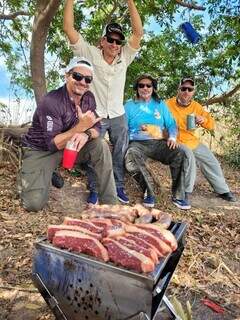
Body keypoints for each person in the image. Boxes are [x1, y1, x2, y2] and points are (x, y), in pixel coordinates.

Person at [63, 0, 143, 204]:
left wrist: (130, 3)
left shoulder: (125, 57)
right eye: (111, 39)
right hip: (96, 115)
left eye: (118, 41)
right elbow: (68, 28)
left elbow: (138, 33)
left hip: (118, 115)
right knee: (95, 149)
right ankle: (95, 189)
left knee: (119, 152)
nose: (115, 44)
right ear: (103, 40)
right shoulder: (89, 54)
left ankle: (118, 186)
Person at [17, 57, 118, 212]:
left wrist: (87, 134)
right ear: (67, 76)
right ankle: (35, 173)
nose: (83, 82)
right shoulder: (51, 101)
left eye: (88, 79)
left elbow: (97, 127)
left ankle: (111, 206)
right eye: (77, 76)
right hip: (42, 150)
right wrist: (80, 128)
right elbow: (53, 144)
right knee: (33, 205)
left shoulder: (88, 98)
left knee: (100, 145)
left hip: (70, 146)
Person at [124, 74, 190, 209]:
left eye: (149, 85)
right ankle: (149, 191)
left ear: (153, 88)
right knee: (131, 155)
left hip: (158, 143)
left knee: (180, 153)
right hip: (137, 143)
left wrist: (172, 137)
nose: (145, 88)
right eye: (141, 85)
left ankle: (178, 195)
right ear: (137, 88)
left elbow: (171, 124)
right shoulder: (129, 105)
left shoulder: (160, 104)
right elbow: (123, 128)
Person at [166, 77, 236, 202]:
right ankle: (184, 192)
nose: (186, 91)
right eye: (184, 88)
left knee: (211, 161)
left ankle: (223, 190)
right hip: (175, 141)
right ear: (179, 89)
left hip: (192, 141)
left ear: (193, 92)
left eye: (190, 89)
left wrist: (203, 120)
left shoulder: (196, 106)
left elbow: (211, 125)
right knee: (189, 160)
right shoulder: (167, 104)